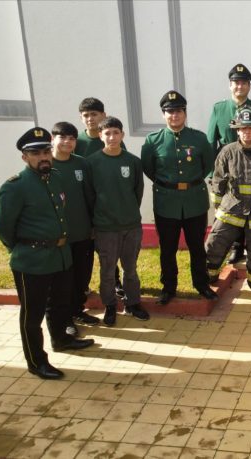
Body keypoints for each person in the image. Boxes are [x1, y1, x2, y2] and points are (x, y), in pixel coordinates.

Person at [0, 127, 94, 380]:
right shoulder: (15, 187)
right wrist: (20, 250)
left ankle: (61, 339)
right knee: (32, 314)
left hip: (61, 255)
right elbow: (4, 228)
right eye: (36, 153)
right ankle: (36, 361)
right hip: (32, 261)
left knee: (61, 304)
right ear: (25, 157)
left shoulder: (56, 178)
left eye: (46, 151)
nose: (43, 157)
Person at [141, 90, 217, 305]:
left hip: (194, 200)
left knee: (196, 247)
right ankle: (168, 287)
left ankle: (202, 284)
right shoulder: (153, 140)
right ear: (163, 114)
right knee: (167, 248)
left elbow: (207, 165)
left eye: (178, 111)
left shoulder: (199, 138)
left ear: (185, 113)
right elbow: (148, 168)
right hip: (166, 201)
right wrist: (168, 184)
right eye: (169, 112)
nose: (174, 116)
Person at [86, 117, 148, 325]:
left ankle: (133, 304)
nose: (112, 137)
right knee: (107, 269)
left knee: (130, 268)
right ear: (100, 136)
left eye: (115, 133)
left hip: (131, 225)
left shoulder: (132, 161)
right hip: (105, 228)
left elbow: (137, 192)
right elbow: (89, 195)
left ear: (122, 135)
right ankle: (110, 306)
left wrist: (128, 213)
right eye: (107, 133)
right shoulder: (92, 162)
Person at [205, 107, 251, 296]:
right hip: (231, 210)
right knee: (215, 242)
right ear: (237, 130)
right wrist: (218, 207)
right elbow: (218, 181)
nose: (246, 132)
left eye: (250, 128)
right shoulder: (227, 152)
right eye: (242, 128)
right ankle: (207, 277)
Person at [49, 122, 99, 334]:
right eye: (63, 138)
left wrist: (93, 225)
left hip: (82, 231)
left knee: (82, 274)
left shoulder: (81, 164)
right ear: (53, 139)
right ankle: (65, 318)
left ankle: (78, 309)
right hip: (58, 236)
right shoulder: (46, 165)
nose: (68, 142)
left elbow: (90, 196)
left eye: (71, 138)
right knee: (62, 279)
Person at [75, 97, 126, 297]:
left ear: (103, 115)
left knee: (109, 249)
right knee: (85, 250)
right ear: (81, 118)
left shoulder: (111, 138)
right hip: (82, 206)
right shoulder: (76, 142)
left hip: (107, 206)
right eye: (86, 115)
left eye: (94, 114)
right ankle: (83, 286)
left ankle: (115, 283)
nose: (90, 119)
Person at [207, 63, 251, 152]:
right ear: (230, 85)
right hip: (226, 160)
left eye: (244, 83)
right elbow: (211, 142)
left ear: (249, 86)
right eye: (236, 83)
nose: (240, 86)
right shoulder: (219, 109)